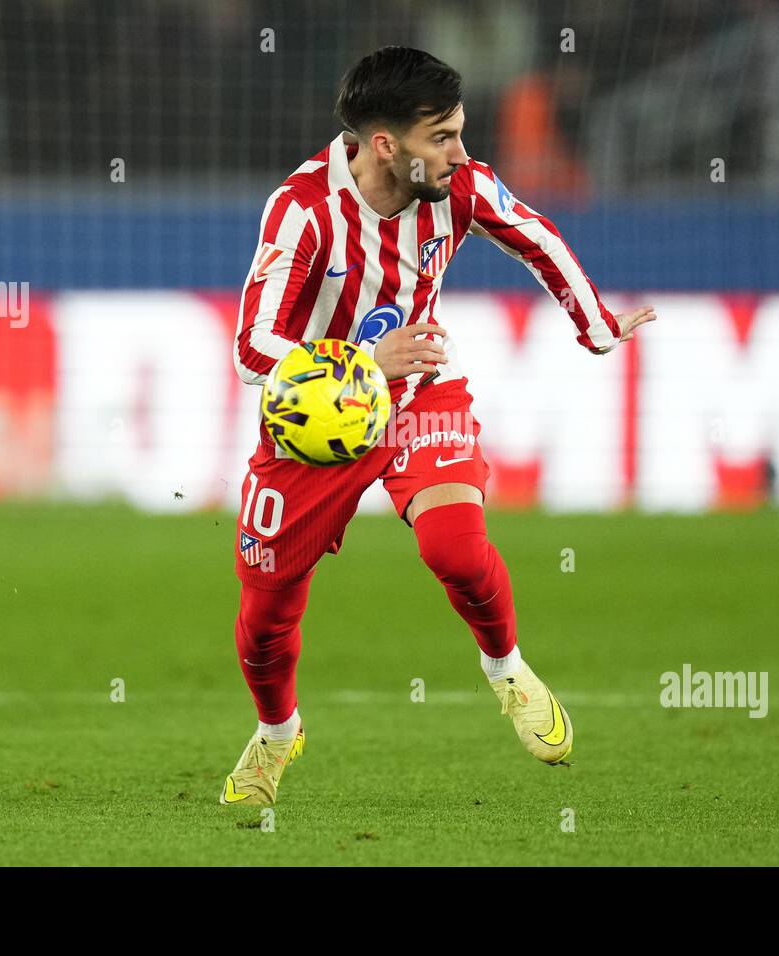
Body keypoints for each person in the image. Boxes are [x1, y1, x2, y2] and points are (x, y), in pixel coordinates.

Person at [223, 46, 656, 805]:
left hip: (420, 397)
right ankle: (278, 732)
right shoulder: (303, 211)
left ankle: (507, 669)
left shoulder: (460, 189)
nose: (461, 153)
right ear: (386, 145)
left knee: (455, 548)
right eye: (443, 138)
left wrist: (595, 327)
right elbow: (252, 346)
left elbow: (538, 238)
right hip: (313, 428)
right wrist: (361, 358)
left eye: (460, 132)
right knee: (264, 617)